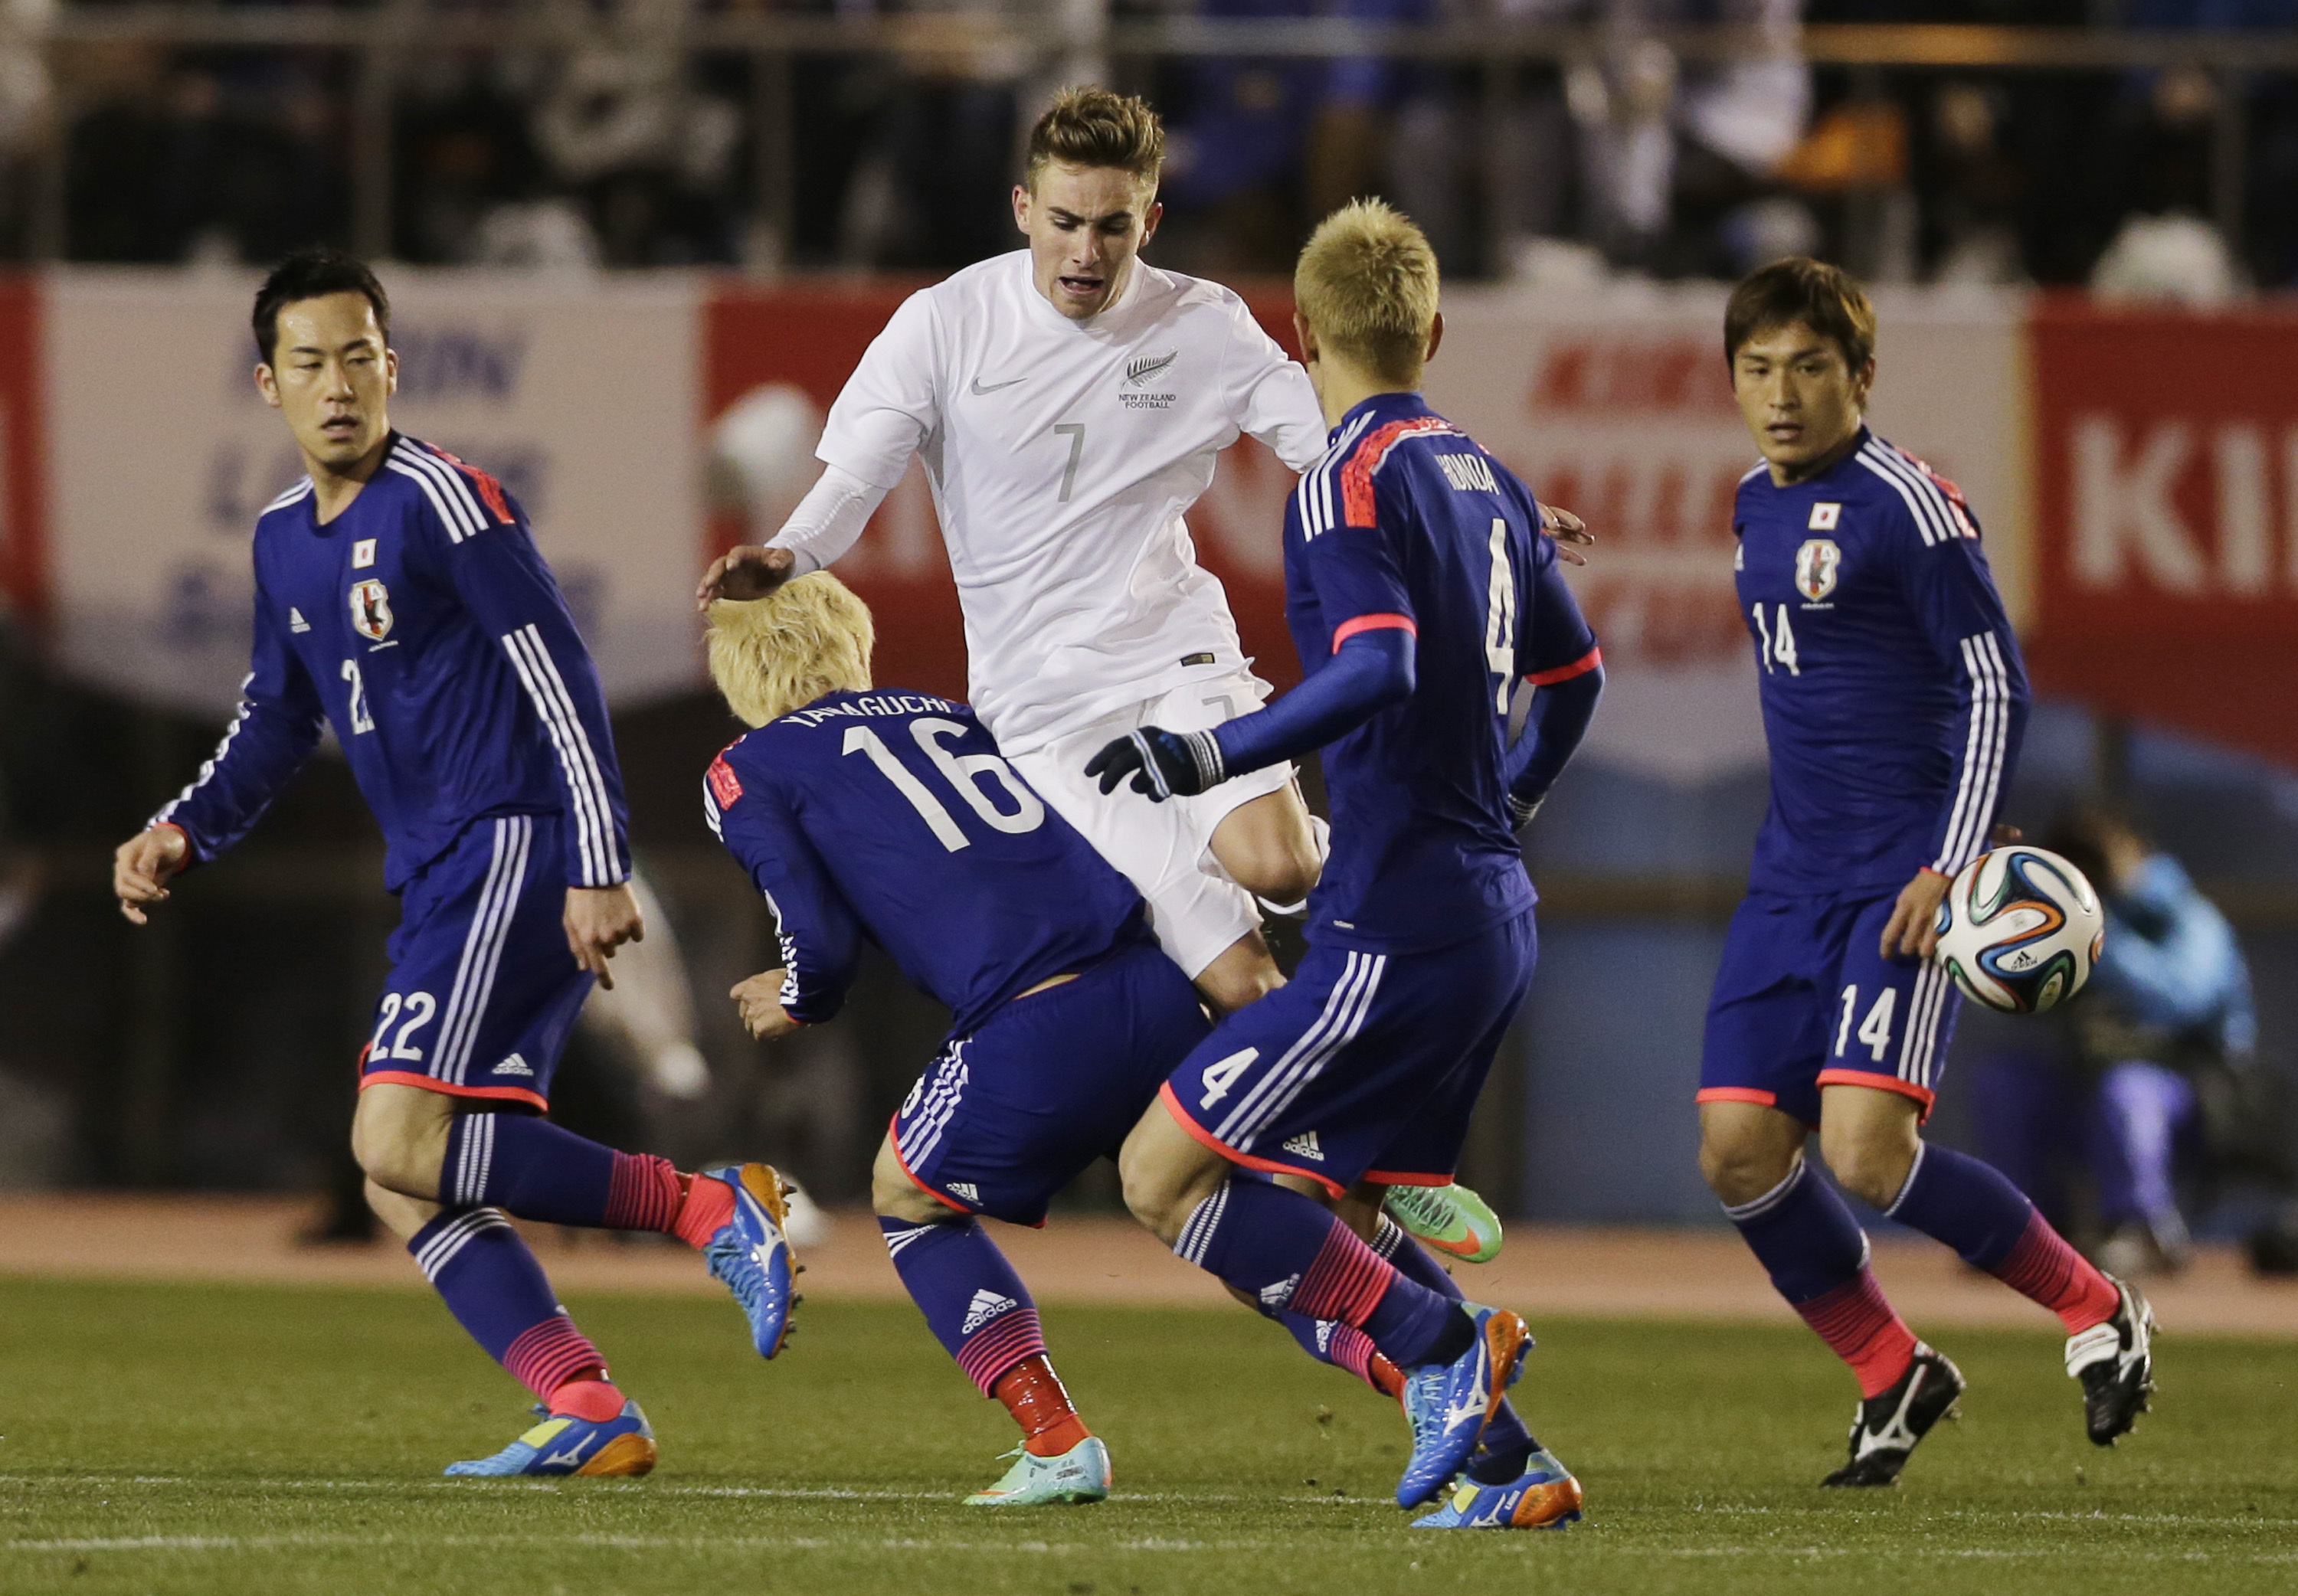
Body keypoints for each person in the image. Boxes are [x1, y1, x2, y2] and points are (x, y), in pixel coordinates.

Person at [693, 87, 1551, 1265]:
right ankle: (1382, 1198)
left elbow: (1345, 437)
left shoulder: (1206, 327)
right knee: (1245, 978)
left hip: (1175, 650)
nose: (1085, 251)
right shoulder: (943, 325)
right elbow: (859, 471)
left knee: (1286, 861)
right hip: (1049, 713)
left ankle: (1364, 1142)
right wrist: (790, 551)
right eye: (1063, 221)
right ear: (1021, 208)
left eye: (1112, 225)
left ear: (1152, 214)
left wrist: (1491, 496)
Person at [109, 250, 795, 1480]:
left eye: (360, 357)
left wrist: (597, 860)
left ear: (393, 365)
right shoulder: (282, 542)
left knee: (392, 1138)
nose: (339, 385)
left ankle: (709, 1208)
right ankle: (586, 1404)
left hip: (513, 843)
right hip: (438, 872)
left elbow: (561, 673)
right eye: (311, 363)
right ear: (269, 383)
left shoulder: (445, 500)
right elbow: (274, 717)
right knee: (403, 1181)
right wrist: (183, 828)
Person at [1101, 200, 1601, 1529]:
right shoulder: (1488, 472)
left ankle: (1449, 1349)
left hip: (1399, 928)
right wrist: (1519, 794)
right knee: (1315, 1202)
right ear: (1433, 330)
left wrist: (1210, 756)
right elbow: (1577, 669)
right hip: (1492, 915)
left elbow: (1376, 664)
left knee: (1161, 1171)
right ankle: (1511, 1462)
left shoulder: (1344, 478)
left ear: (1302, 331)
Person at [1691, 257, 2154, 1489]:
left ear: (1862, 376)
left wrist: (1951, 867)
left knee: (1863, 1154)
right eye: (1758, 369)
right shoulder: (1749, 501)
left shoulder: (1914, 506)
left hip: (1902, 881)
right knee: (1738, 1151)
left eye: (1808, 367)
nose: (1780, 394)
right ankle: (1893, 1369)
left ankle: (2098, 1307)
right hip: (1789, 880)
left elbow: (1997, 683)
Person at [698, 571, 1205, 1505]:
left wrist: (799, 996)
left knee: (909, 1193)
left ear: (738, 667)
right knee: (1229, 1188)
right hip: (1154, 982)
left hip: (1033, 1020)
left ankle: (1054, 1434)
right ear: (853, 638)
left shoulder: (745, 767)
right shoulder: (949, 712)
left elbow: (813, 930)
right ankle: (1440, 1347)